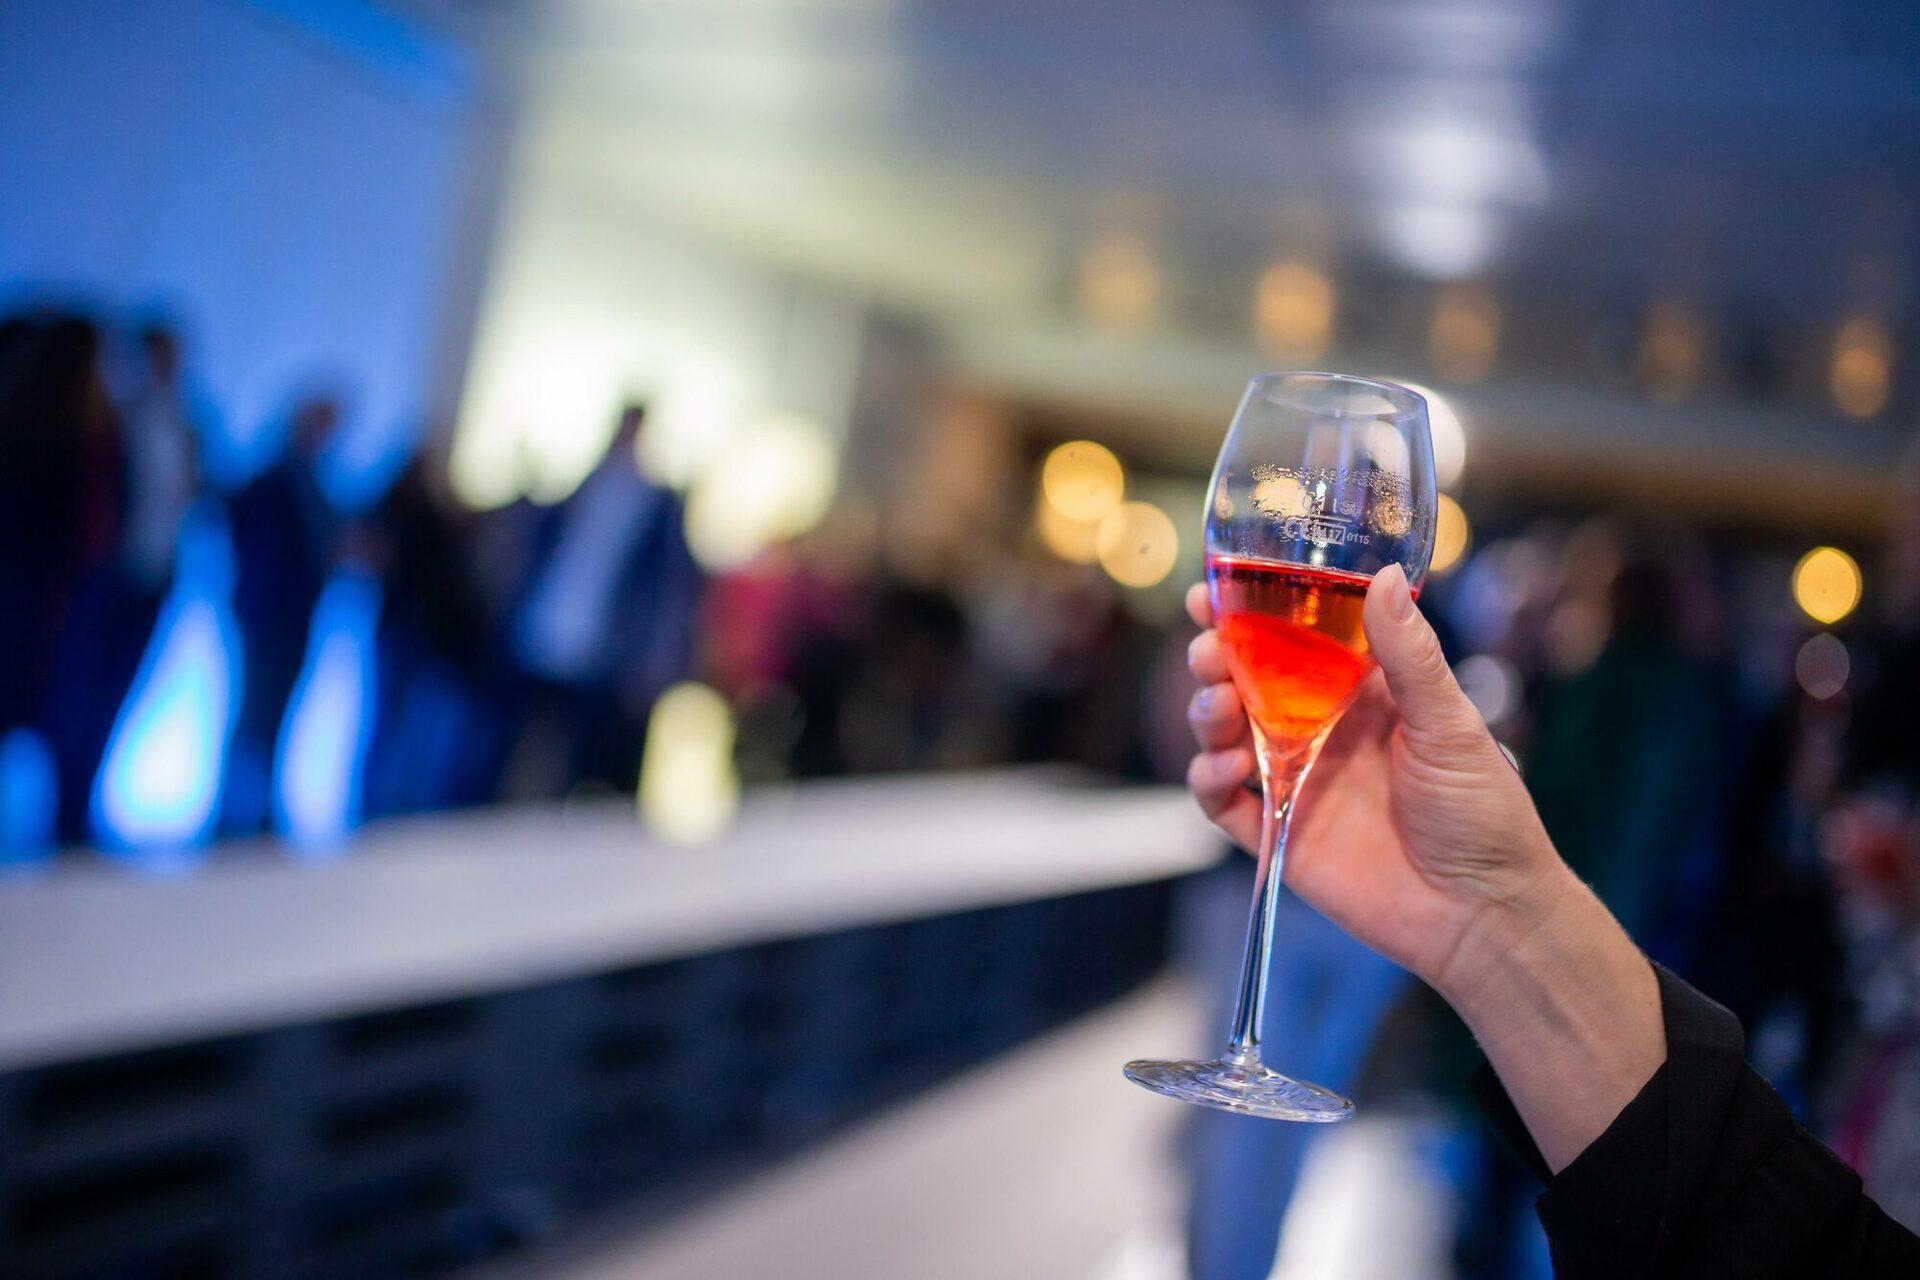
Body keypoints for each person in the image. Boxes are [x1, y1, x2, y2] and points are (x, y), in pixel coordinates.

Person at [1182, 563, 1920, 1278]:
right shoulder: (1686, 701)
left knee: (1490, 1217)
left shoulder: (1616, 694)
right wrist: (1484, 911)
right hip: (1638, 993)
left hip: (1636, 1001)